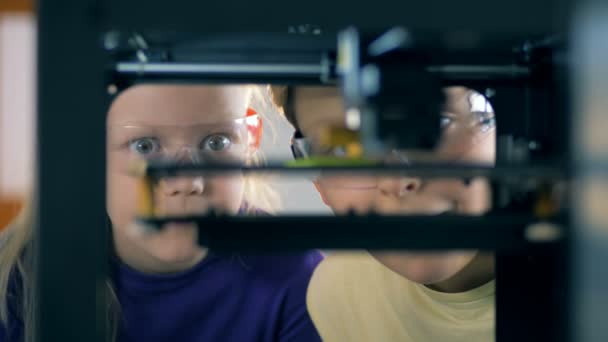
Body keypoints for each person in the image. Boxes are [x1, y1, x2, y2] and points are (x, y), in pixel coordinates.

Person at [0, 84, 323, 342]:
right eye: (144, 145)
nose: (186, 183)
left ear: (250, 140)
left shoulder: (302, 280)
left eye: (216, 142)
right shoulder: (18, 278)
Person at [275, 85, 496, 341]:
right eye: (343, 150)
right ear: (320, 184)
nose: (395, 181)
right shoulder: (340, 295)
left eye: (438, 124)